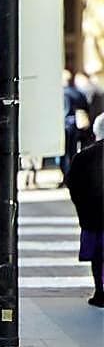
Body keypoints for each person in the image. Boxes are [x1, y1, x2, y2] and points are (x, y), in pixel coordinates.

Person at [68, 114, 104, 307]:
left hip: (93, 218)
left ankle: (100, 291)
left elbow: (73, 185)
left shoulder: (83, 157)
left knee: (98, 258)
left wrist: (83, 209)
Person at [62, 74, 93, 186]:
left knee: (64, 153)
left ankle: (66, 176)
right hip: (75, 125)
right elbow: (86, 108)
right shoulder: (77, 93)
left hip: (63, 125)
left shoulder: (61, 93)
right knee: (73, 151)